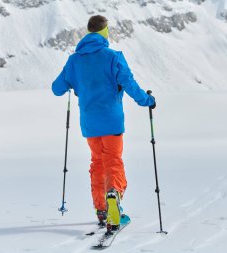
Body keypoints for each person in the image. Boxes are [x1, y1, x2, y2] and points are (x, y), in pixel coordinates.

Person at [52, 15, 156, 232]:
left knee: (97, 163)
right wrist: (147, 100)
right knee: (113, 162)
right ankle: (114, 196)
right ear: (104, 32)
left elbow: (57, 88)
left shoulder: (74, 60)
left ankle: (101, 209)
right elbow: (129, 84)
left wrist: (74, 82)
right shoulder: (113, 57)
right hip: (112, 122)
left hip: (90, 124)